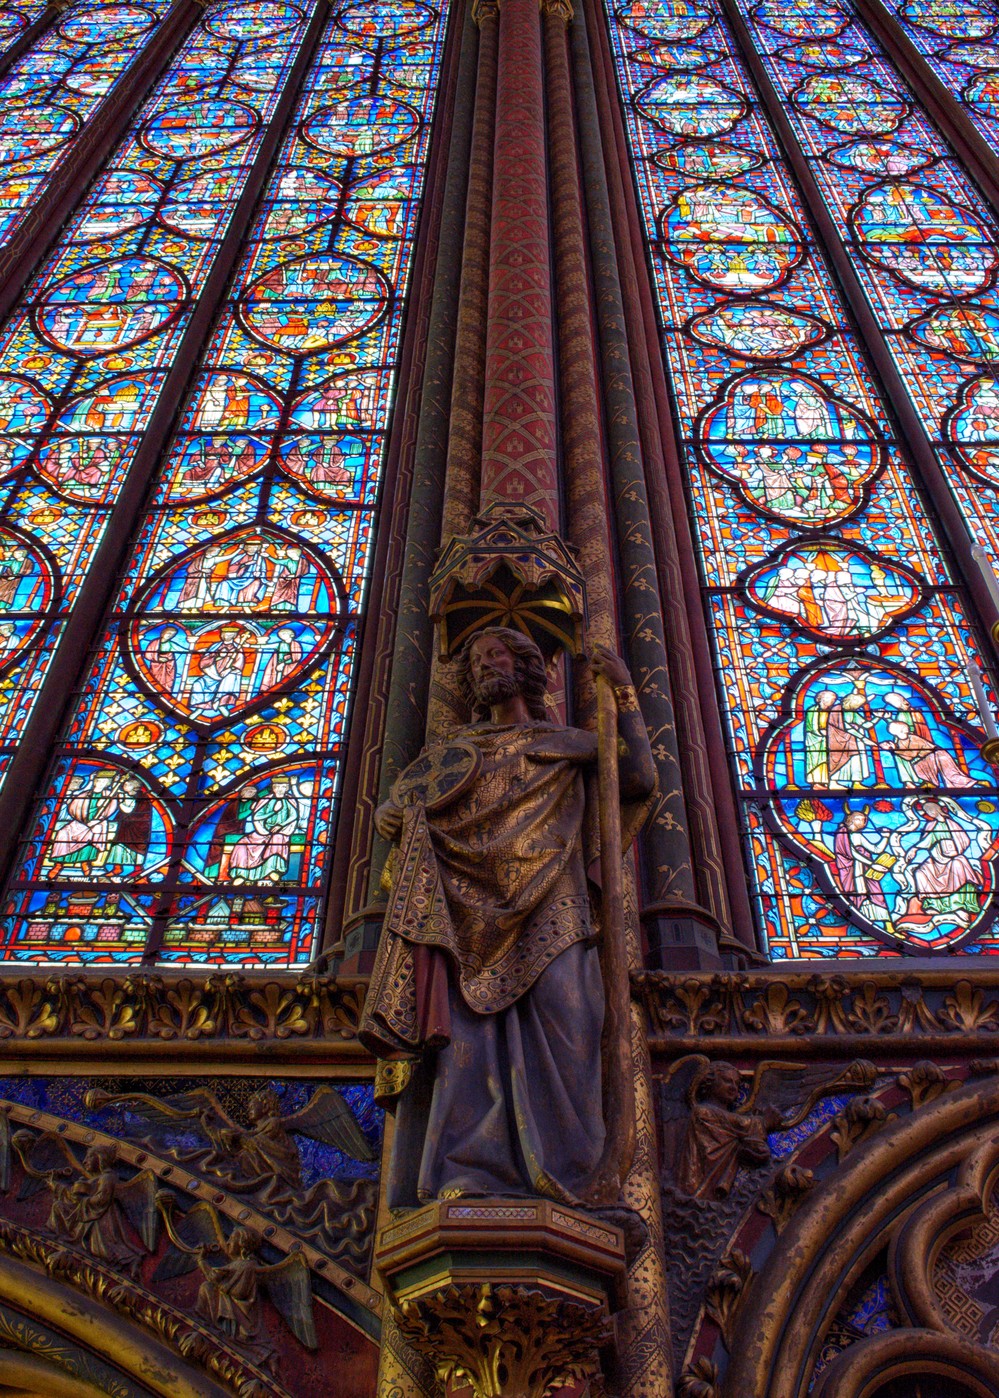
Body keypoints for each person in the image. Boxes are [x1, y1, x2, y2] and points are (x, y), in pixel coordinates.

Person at [360, 627, 655, 1207]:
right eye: (475, 657)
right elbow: (408, 809)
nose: (486, 665)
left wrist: (622, 693)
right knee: (467, 1046)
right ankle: (468, 1174)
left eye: (496, 653)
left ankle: (575, 1181)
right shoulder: (451, 757)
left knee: (569, 1030)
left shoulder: (569, 743)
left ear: (528, 667)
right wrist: (394, 817)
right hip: (465, 922)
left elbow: (639, 778)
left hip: (555, 911)